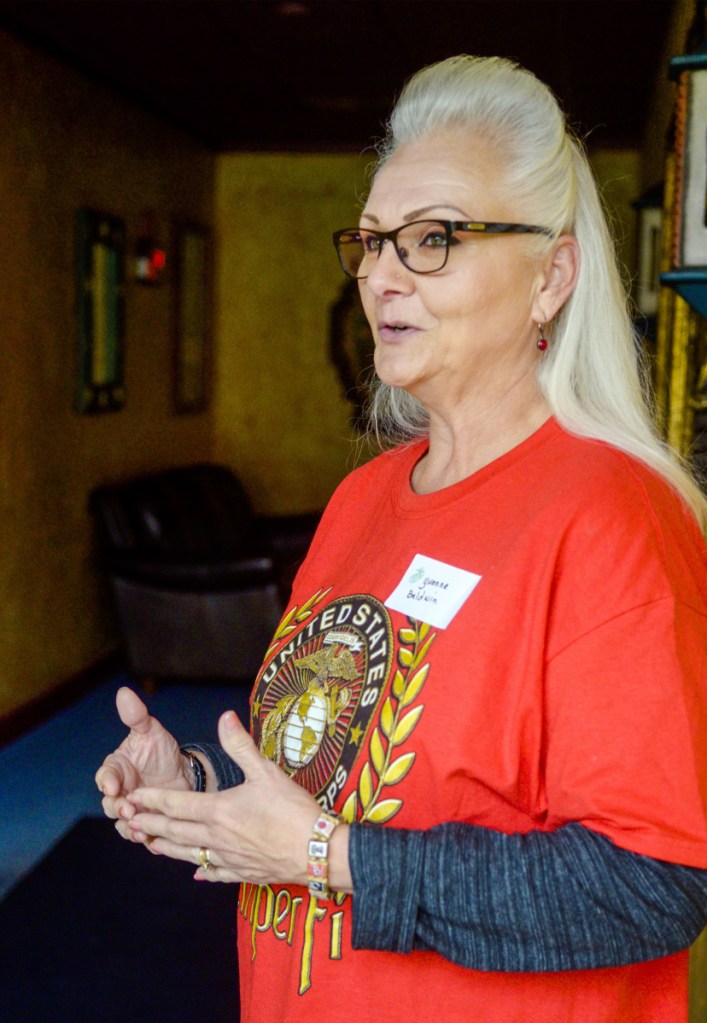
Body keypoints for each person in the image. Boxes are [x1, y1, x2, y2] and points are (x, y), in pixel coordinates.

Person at [96, 55, 707, 1023]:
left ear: (550, 275)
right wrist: (206, 790)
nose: (380, 274)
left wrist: (321, 859)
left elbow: (647, 885)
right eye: (373, 241)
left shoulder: (613, 516)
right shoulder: (361, 501)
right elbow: (341, 775)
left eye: (430, 240)